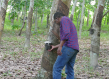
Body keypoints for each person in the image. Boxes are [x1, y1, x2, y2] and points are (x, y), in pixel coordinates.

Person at [49, 12, 79, 79]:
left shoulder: (64, 19)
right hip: (74, 49)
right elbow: (66, 39)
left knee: (57, 68)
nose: (56, 23)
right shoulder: (68, 21)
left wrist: (60, 47)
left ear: (57, 18)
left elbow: (66, 34)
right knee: (69, 70)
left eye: (55, 21)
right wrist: (55, 46)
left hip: (68, 48)